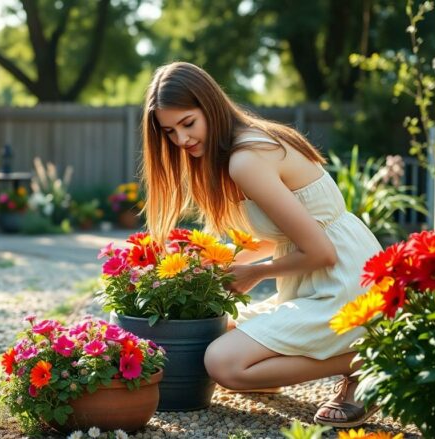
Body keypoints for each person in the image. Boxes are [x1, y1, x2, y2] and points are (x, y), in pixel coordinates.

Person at [139, 61, 383, 428]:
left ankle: (369, 356)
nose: (182, 140)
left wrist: (255, 273)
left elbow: (321, 251)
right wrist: (217, 265)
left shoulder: (246, 159)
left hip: (342, 282)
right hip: (322, 274)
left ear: (211, 105)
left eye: (188, 123)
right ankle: (317, 359)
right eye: (171, 132)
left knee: (223, 363)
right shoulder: (240, 147)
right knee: (216, 333)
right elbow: (287, 236)